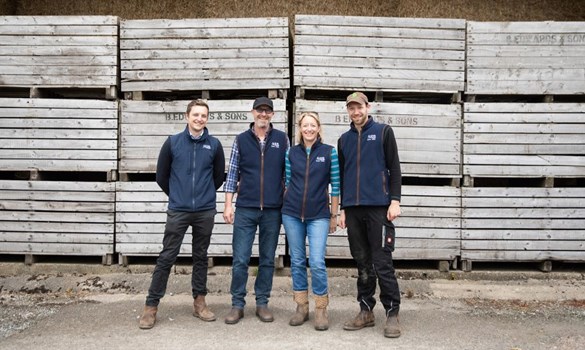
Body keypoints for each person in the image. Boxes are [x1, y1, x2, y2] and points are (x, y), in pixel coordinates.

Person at [139, 99, 225, 329]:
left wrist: (203, 195)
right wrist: (178, 195)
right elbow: (161, 176)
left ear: (207, 119)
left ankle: (200, 303)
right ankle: (151, 306)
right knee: (167, 257)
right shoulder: (173, 143)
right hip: (178, 210)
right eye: (195, 114)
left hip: (205, 211)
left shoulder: (214, 145)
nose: (199, 119)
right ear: (187, 116)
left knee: (200, 257)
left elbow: (218, 177)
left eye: (203, 115)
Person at [337, 92, 403, 338]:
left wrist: (394, 200)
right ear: (348, 111)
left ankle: (392, 312)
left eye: (359, 107)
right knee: (362, 262)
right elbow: (343, 176)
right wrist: (343, 207)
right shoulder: (343, 140)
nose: (356, 112)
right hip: (353, 209)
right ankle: (365, 310)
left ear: (368, 107)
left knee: (382, 262)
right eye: (351, 109)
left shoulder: (384, 132)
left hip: (378, 207)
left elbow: (394, 167)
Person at [222, 97, 289, 324]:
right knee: (240, 259)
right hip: (246, 209)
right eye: (260, 110)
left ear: (272, 114)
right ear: (252, 113)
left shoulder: (282, 139)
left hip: (273, 209)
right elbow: (232, 175)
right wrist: (228, 204)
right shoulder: (241, 140)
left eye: (267, 111)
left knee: (267, 259)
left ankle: (262, 302)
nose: (263, 114)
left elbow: (286, 175)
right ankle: (237, 304)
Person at [281, 111, 340, 331]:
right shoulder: (291, 153)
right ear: (300, 129)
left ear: (318, 128)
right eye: (305, 125)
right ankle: (301, 306)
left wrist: (334, 215)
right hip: (292, 214)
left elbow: (336, 186)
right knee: (296, 261)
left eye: (312, 125)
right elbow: (287, 181)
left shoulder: (329, 152)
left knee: (316, 261)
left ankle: (321, 308)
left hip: (319, 215)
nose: (308, 129)